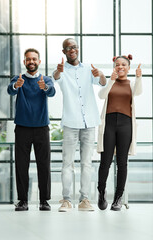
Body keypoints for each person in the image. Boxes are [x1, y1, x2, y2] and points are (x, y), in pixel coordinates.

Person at [52, 38, 106, 212]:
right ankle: (66, 200)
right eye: (68, 48)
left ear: (78, 48)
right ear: (64, 52)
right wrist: (58, 71)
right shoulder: (62, 70)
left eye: (74, 47)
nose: (72, 50)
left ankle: (85, 200)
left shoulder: (89, 68)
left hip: (89, 122)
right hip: (70, 123)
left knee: (86, 163)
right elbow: (56, 77)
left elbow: (103, 83)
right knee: (67, 163)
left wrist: (101, 75)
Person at [7, 48, 56, 211]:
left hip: (42, 128)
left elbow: (52, 92)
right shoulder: (18, 78)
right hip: (22, 129)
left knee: (44, 165)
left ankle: (44, 201)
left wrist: (45, 88)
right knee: (21, 165)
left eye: (34, 59)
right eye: (28, 59)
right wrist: (16, 85)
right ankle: (23, 201)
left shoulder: (45, 79)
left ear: (39, 61)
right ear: (24, 62)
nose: (31, 61)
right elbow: (10, 89)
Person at [97, 54, 142, 211]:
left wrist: (138, 77)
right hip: (109, 124)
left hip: (125, 124)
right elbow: (101, 95)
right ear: (114, 67)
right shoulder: (111, 82)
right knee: (105, 162)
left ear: (128, 68)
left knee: (122, 163)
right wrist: (111, 80)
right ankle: (101, 192)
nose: (120, 66)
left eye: (124, 64)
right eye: (117, 64)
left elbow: (138, 92)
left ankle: (118, 198)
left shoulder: (131, 84)